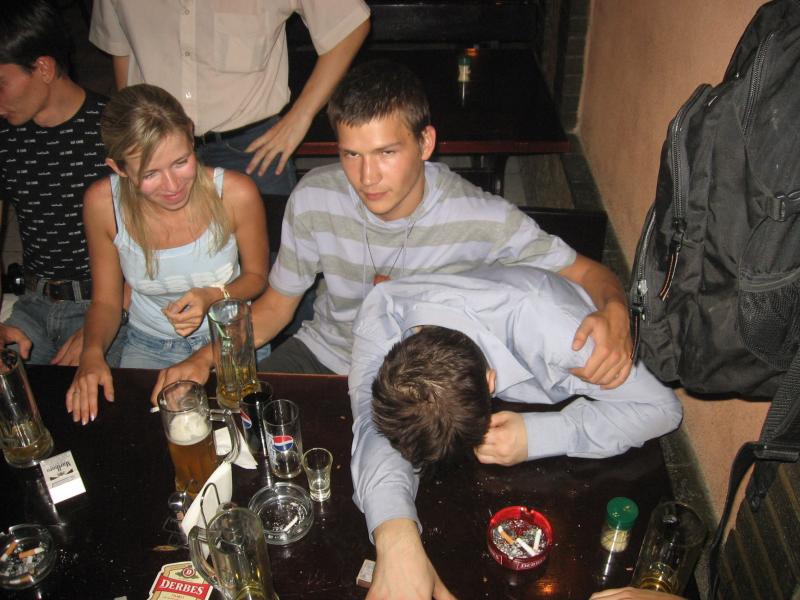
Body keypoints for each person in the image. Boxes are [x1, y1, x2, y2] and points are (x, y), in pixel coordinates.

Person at [152, 60, 633, 399]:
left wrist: (616, 312)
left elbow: (587, 272)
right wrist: (206, 359)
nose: (366, 177)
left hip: (418, 381)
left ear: (425, 143)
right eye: (351, 154)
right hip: (326, 356)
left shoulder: (482, 217)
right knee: (237, 426)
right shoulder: (314, 198)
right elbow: (277, 308)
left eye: (386, 153)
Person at [349, 266, 683, 598]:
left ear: (490, 382)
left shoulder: (566, 340)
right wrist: (395, 534)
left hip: (558, 321)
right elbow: (370, 425)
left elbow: (663, 409)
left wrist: (537, 435)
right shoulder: (383, 310)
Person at [66, 84, 267, 425]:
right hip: (149, 343)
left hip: (230, 340)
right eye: (150, 174)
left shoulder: (235, 192)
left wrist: (213, 295)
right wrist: (92, 354)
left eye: (181, 162)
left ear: (191, 136)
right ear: (118, 168)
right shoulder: (102, 203)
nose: (172, 186)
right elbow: (107, 302)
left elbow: (257, 278)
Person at [88, 0, 371, 195]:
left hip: (252, 146)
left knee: (270, 257)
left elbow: (348, 22)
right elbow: (121, 49)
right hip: (153, 147)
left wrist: (301, 116)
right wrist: (130, 134)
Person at [0, 0, 125, 366]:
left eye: (1, 85)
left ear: (43, 68)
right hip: (32, 304)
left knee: (85, 396)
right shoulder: (5, 136)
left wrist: (101, 325)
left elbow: (158, 243)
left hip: (107, 303)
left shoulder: (114, 131)